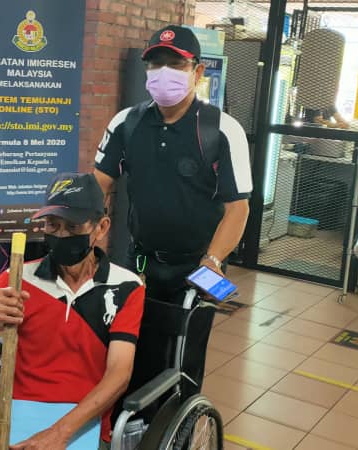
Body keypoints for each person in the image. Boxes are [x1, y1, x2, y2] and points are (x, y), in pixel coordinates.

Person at [93, 25, 251, 395]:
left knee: (183, 358)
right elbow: (98, 185)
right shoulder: (126, 123)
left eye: (176, 64)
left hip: (197, 266)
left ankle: (180, 415)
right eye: (156, 64)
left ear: (198, 71)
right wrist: (84, 239)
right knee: (127, 347)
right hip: (140, 261)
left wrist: (212, 261)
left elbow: (237, 209)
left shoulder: (222, 129)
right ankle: (129, 417)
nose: (164, 72)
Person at [0, 173, 144, 450]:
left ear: (101, 227)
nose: (61, 235)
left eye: (72, 227)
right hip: (13, 412)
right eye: (52, 225)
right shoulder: (17, 279)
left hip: (80, 422)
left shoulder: (126, 287)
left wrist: (59, 433)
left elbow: (119, 375)